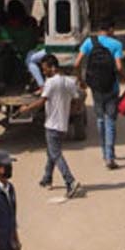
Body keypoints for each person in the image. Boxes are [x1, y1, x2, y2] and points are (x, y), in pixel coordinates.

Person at [78, 26, 125, 170]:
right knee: (111, 122)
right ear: (111, 30)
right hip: (111, 88)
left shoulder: (89, 42)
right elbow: (119, 67)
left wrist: (81, 80)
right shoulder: (116, 45)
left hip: (96, 88)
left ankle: (104, 152)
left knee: (100, 120)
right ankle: (110, 157)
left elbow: (77, 63)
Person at [36, 55, 82, 198]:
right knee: (52, 152)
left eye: (45, 69)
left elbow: (41, 101)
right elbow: (77, 99)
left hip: (52, 125)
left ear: (53, 67)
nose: (44, 72)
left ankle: (70, 181)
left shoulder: (50, 83)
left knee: (55, 154)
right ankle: (47, 178)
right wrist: (71, 112)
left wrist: (25, 109)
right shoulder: (69, 81)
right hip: (62, 124)